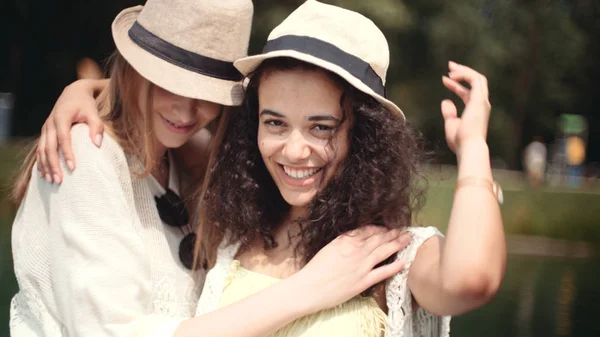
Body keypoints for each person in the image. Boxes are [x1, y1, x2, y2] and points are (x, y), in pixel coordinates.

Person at [10, 1, 409, 336]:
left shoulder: (186, 155)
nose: (186, 112)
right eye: (167, 84)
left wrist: (89, 89)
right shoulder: (86, 158)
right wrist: (310, 289)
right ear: (134, 69)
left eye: (204, 94)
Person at [194, 2, 505, 336]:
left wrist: (473, 145)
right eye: (275, 122)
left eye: (322, 128)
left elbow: (470, 280)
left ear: (363, 137)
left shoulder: (389, 257)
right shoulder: (231, 236)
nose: (295, 150)